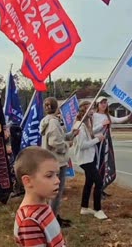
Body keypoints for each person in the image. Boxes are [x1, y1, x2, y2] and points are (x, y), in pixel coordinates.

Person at [13, 146, 66, 247]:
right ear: (28, 181)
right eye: (49, 175)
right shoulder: (29, 221)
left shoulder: (42, 206)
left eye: (57, 175)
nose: (57, 181)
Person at [40, 97, 78, 228]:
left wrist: (71, 135)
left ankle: (53, 215)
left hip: (50, 160)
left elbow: (58, 136)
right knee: (56, 192)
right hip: (57, 162)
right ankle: (52, 221)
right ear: (56, 108)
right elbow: (55, 142)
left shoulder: (47, 121)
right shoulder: (53, 123)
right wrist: (67, 145)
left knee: (53, 193)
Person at [71, 101, 108, 220]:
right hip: (85, 159)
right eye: (90, 109)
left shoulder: (86, 124)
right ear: (85, 111)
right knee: (99, 182)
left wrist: (101, 128)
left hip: (89, 158)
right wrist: (97, 140)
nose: (93, 111)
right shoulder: (79, 125)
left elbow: (91, 134)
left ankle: (84, 207)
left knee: (89, 182)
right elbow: (82, 145)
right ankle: (98, 209)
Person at [92, 96, 132, 198]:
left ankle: (101, 188)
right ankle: (97, 190)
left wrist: (129, 117)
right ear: (97, 104)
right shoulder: (94, 116)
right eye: (102, 103)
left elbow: (118, 120)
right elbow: (92, 131)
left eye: (105, 102)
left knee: (106, 167)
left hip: (106, 144)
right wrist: (102, 125)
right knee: (100, 167)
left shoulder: (107, 116)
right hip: (98, 144)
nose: (104, 104)